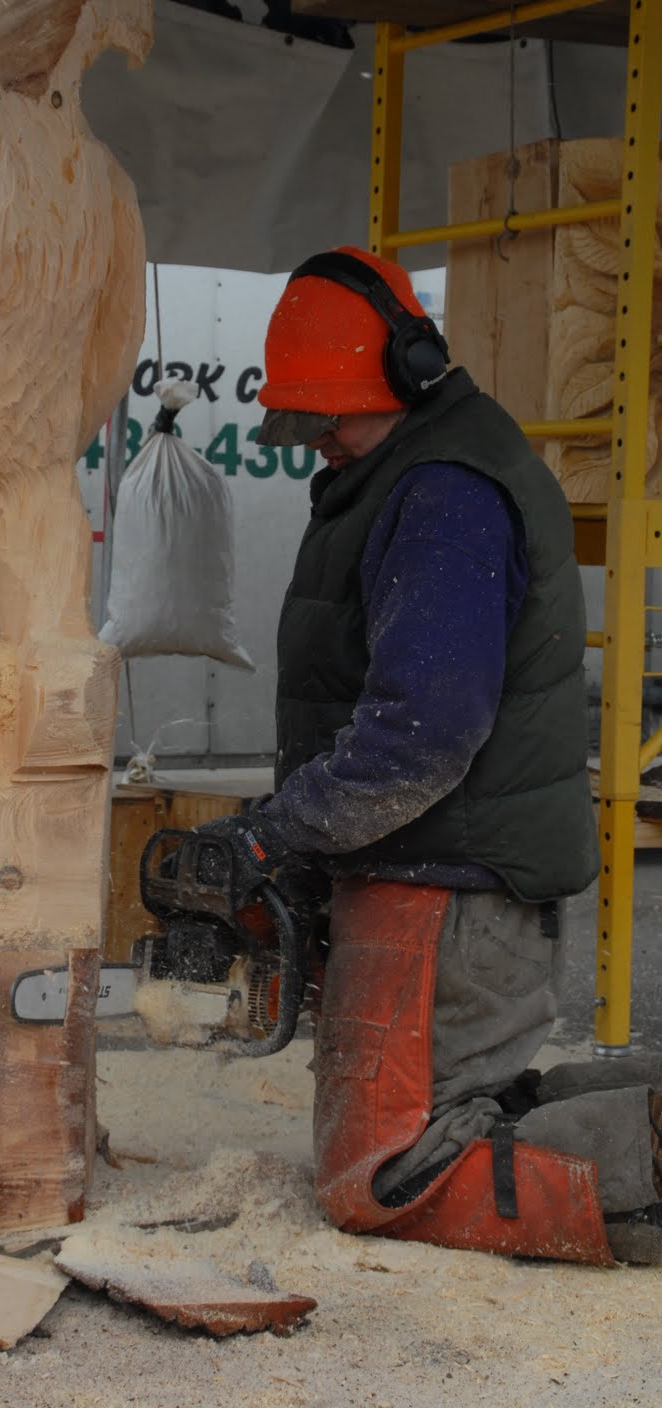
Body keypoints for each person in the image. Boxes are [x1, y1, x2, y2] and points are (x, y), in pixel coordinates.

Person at [204, 245, 662, 1266]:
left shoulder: (444, 497)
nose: (318, 441)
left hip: (450, 885)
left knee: (387, 1171)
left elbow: (422, 735)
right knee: (469, 1108)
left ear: (409, 374)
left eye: (331, 417)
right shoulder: (411, 469)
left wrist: (276, 837)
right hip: (439, 873)